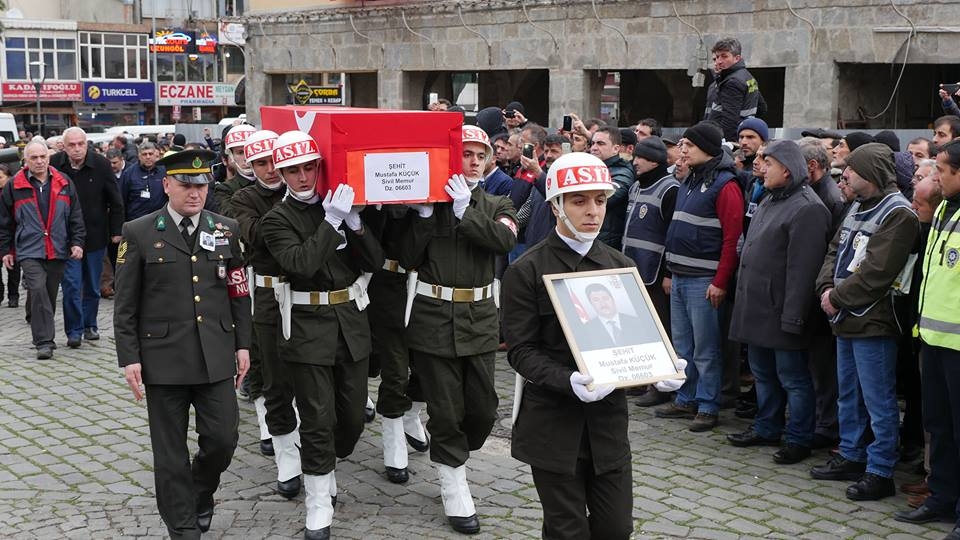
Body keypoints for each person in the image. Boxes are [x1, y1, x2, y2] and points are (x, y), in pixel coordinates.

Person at [113, 148, 251, 538]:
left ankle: (200, 491)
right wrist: (129, 358)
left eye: (202, 185)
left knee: (223, 439)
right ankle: (183, 525)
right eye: (187, 185)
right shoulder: (138, 232)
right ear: (167, 184)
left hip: (215, 353)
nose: (196, 193)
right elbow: (125, 305)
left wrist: (244, 344)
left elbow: (238, 291)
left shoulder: (226, 229)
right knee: (170, 451)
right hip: (163, 358)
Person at [502, 151, 634, 540]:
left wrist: (658, 369)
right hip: (553, 426)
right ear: (556, 205)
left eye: (600, 200)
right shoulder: (525, 270)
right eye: (579, 200)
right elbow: (520, 351)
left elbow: (633, 336)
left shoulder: (619, 265)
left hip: (608, 428)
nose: (593, 211)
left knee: (616, 530)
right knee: (567, 531)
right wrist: (568, 379)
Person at [260, 130, 383, 540]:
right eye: (292, 170)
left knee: (350, 420)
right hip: (307, 324)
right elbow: (302, 264)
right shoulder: (276, 219)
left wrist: (355, 223)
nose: (301, 177)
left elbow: (377, 262)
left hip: (350, 321)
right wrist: (331, 222)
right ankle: (317, 502)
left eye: (308, 167)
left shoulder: (339, 203)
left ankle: (326, 461)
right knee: (316, 418)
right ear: (281, 173)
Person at [399, 125, 517, 535]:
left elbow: (502, 240)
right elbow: (406, 257)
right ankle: (453, 482)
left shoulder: (500, 201)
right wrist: (426, 218)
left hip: (480, 319)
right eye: (465, 154)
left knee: (483, 408)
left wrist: (467, 211)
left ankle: (451, 454)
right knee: (446, 409)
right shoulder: (430, 203)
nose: (472, 161)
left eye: (479, 155)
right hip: (432, 318)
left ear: (488, 160)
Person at [811, 143, 919, 501]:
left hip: (874, 320)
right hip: (843, 315)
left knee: (878, 399)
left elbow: (879, 271)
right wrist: (826, 287)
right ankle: (852, 453)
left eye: (851, 170)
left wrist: (835, 297)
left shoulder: (898, 213)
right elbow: (834, 250)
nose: (845, 175)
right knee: (849, 394)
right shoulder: (857, 205)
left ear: (869, 173)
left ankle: (880, 469)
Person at [726, 140, 831, 464]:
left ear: (787, 169)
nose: (761, 167)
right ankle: (766, 426)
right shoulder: (770, 198)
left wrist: (794, 318)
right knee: (763, 374)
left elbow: (802, 271)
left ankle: (799, 437)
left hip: (781, 312)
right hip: (757, 309)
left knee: (793, 379)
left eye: (767, 162)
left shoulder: (808, 208)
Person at [655, 121, 743, 432]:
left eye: (689, 146)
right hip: (679, 275)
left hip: (703, 280)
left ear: (707, 148)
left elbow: (732, 241)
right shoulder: (690, 180)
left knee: (706, 348)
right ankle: (686, 396)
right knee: (683, 345)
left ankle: (708, 404)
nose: (682, 151)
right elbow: (675, 230)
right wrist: (668, 271)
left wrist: (720, 281)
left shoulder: (726, 185)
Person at [230, 130, 303, 497]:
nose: (271, 170)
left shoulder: (302, 188)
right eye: (260, 163)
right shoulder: (244, 197)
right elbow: (257, 235)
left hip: (307, 286)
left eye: (275, 162)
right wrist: (294, 206)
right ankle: (284, 448)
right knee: (272, 370)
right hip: (268, 289)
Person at [893, 140, 960, 536]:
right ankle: (941, 498)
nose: (937, 178)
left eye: (944, 172)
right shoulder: (944, 211)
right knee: (939, 425)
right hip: (933, 338)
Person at [0, 141, 85, 359]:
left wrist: (77, 242)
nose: (39, 161)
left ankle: (41, 328)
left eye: (42, 157)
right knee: (37, 289)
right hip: (28, 248)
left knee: (48, 292)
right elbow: (5, 221)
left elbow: (75, 216)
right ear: (25, 161)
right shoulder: (15, 184)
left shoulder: (63, 182)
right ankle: (44, 342)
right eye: (34, 158)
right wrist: (6, 250)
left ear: (48, 158)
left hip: (57, 247)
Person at [50, 127, 123, 348]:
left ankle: (90, 324)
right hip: (65, 237)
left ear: (86, 143)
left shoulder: (100, 164)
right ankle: (74, 329)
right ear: (64, 146)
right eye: (72, 145)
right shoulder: (54, 164)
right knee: (71, 285)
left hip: (95, 235)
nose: (77, 149)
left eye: (80, 144)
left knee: (92, 285)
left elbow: (115, 199)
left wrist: (116, 230)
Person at [622, 136, 679, 407]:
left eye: (640, 158)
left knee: (659, 331)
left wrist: (668, 271)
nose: (635, 162)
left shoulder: (670, 189)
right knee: (639, 330)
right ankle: (639, 378)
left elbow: (672, 234)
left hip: (654, 272)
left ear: (655, 160)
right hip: (632, 268)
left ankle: (660, 385)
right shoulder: (635, 187)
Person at [703, 37, 765, 141]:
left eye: (724, 56)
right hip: (738, 136)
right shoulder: (748, 77)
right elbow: (762, 108)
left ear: (737, 58)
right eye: (717, 57)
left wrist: (726, 144)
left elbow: (729, 121)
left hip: (726, 140)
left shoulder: (732, 82)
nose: (719, 61)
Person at [588, 127, 634, 250]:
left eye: (600, 143)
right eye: (592, 143)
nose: (594, 148)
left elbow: (604, 199)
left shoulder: (623, 174)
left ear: (616, 149)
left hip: (605, 245)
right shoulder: (592, 169)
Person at [213, 123, 257, 217]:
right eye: (240, 152)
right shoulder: (224, 190)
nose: (246, 158)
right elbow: (233, 219)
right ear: (231, 156)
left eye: (250, 151)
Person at [0, 163, 21, 308]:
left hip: (11, 233)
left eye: (0, 177)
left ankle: (13, 295)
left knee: (13, 267)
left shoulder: (12, 192)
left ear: (8, 178)